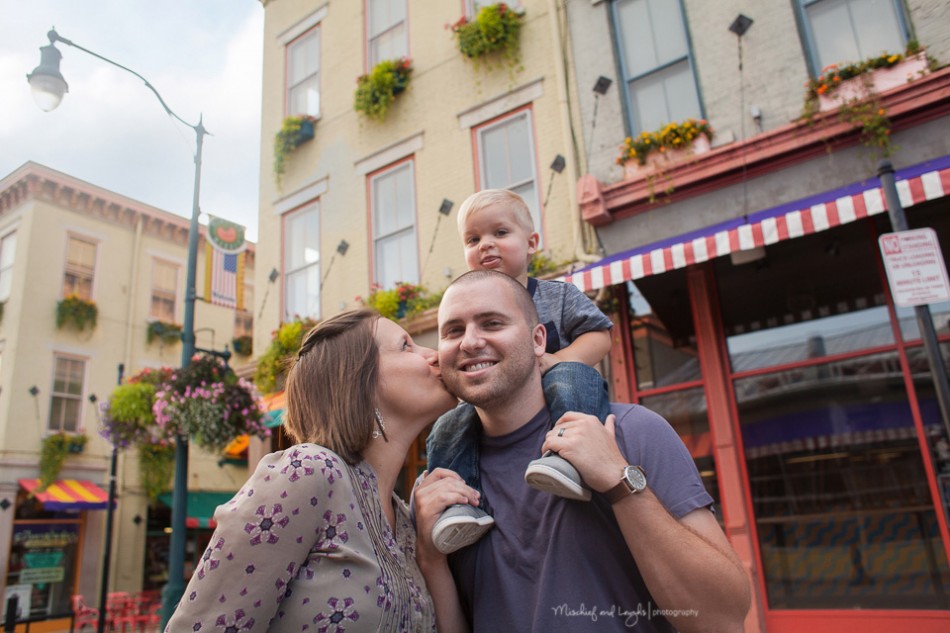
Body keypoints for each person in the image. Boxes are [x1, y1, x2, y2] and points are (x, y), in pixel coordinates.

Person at [413, 270, 751, 632]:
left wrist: (619, 481)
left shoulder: (631, 432)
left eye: (492, 323)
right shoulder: (444, 483)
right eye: (453, 331)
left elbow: (723, 617)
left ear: (538, 339)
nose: (470, 341)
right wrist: (430, 559)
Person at [165, 310, 475, 633]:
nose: (436, 356)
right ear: (358, 380)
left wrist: (432, 558)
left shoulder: (406, 521)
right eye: (406, 346)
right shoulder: (308, 472)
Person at [429, 189, 614, 554]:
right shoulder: (463, 307)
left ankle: (567, 460)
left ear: (531, 243)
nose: (486, 245)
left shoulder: (558, 295)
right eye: (473, 238)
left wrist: (559, 361)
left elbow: (600, 335)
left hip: (555, 384)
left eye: (499, 233)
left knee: (573, 376)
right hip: (500, 402)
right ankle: (459, 501)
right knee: (449, 424)